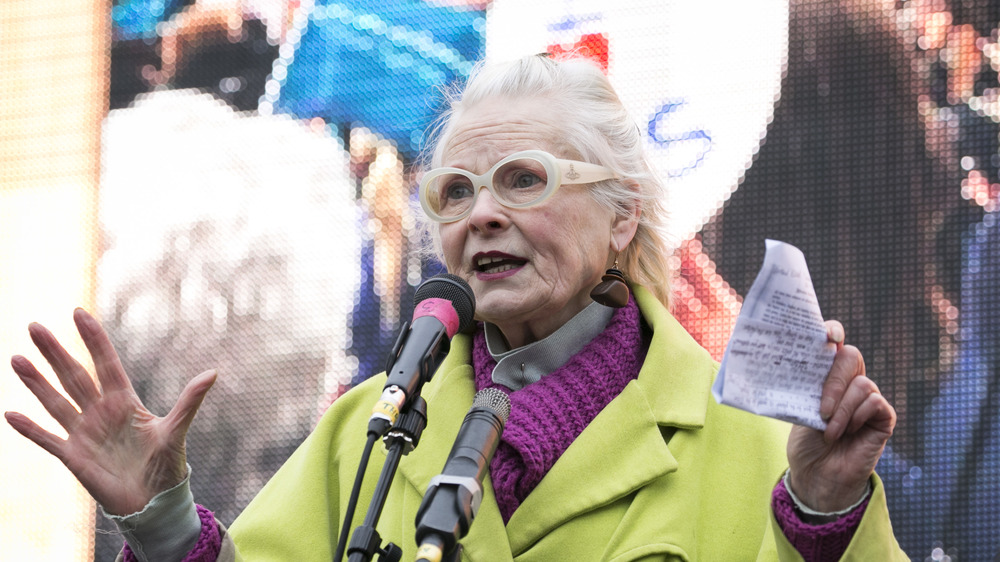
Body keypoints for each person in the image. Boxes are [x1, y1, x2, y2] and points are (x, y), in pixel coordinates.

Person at [5, 54, 905, 560]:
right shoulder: (371, 425)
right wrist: (163, 524)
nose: (482, 214)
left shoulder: (747, 437)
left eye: (523, 180)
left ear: (622, 210)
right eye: (455, 191)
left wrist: (822, 518)